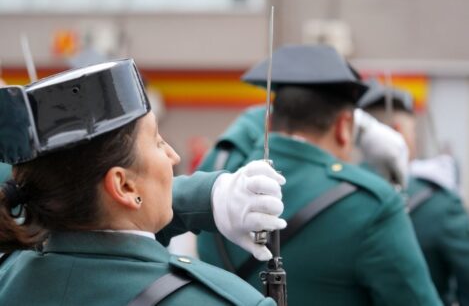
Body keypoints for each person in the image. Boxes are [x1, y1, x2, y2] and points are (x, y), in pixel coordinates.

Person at [0, 60, 287, 305]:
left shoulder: (8, 279)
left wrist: (207, 197)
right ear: (124, 186)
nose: (173, 156)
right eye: (157, 141)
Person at [197, 45, 442, 305]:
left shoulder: (217, 183)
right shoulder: (372, 205)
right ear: (343, 128)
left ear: (269, 121)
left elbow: (244, 129)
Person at [359, 79, 469, 306]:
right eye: (413, 133)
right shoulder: (441, 204)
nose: (415, 142)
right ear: (399, 131)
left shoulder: (338, 189)